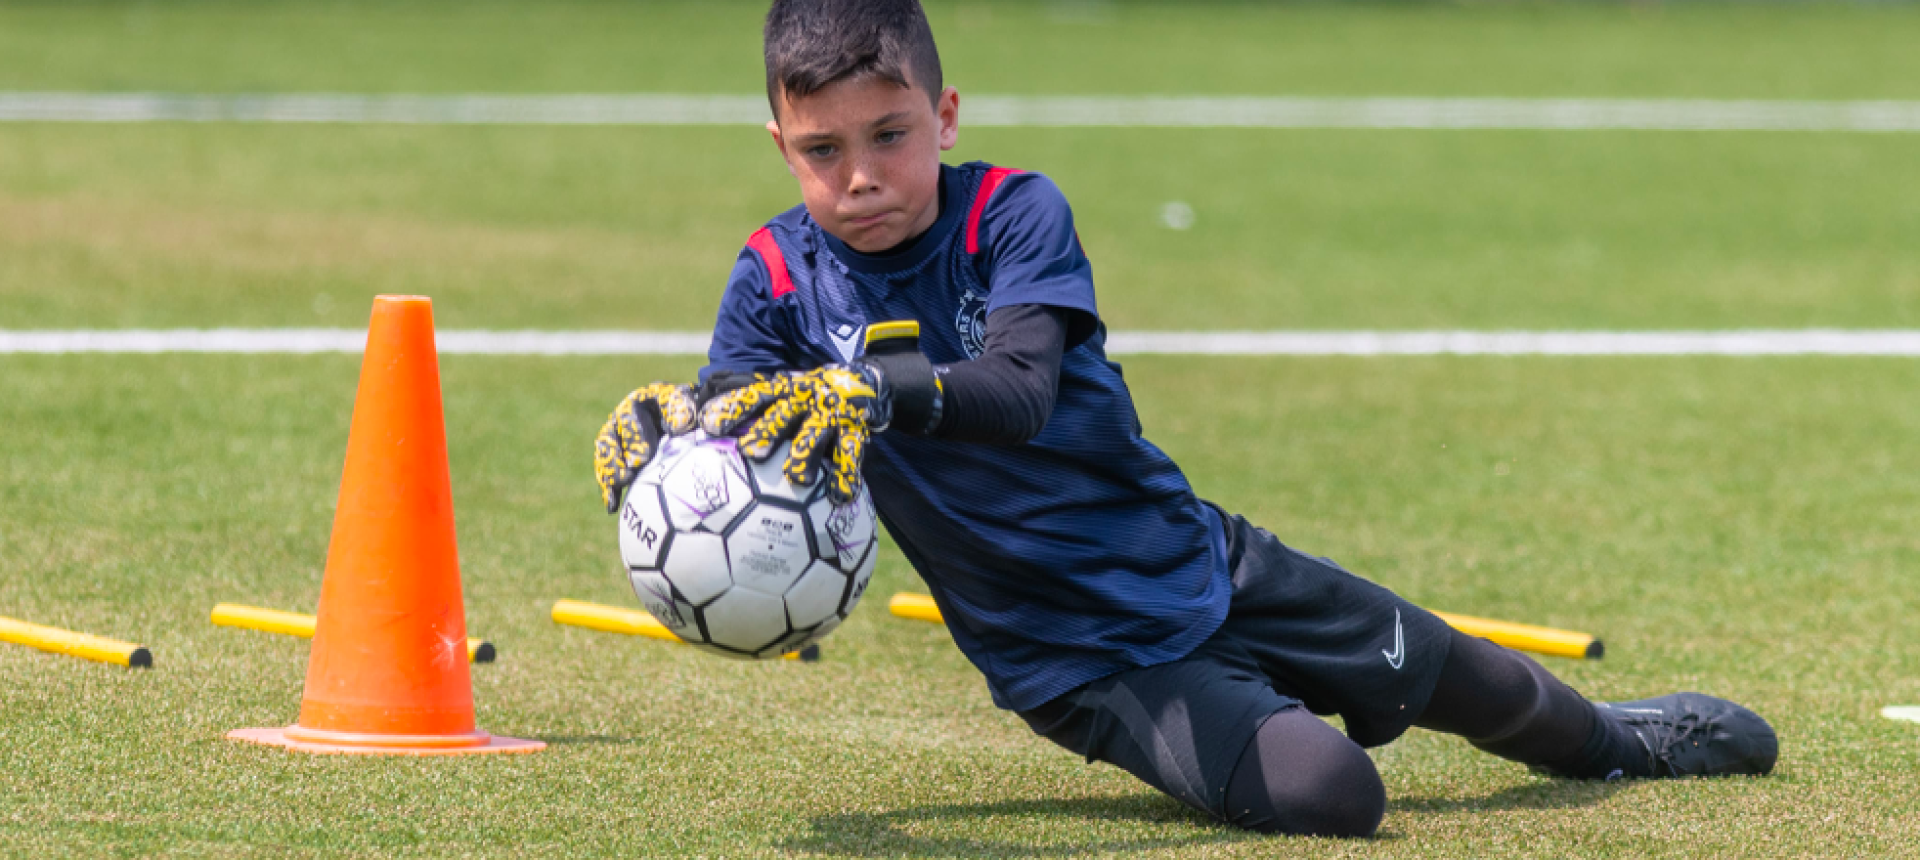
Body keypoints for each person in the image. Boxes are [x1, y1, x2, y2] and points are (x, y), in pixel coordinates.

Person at [592, 0, 1777, 838]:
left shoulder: (1012, 212)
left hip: (1192, 554)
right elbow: (741, 433)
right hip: (1075, 658)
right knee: (1334, 796)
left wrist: (879, 392)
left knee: (1472, 677)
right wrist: (674, 437)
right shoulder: (777, 276)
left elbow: (1017, 391)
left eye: (888, 135)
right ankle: (1242, 719)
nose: (858, 177)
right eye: (821, 150)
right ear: (780, 147)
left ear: (944, 115)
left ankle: (1622, 739)